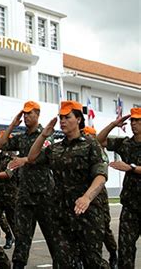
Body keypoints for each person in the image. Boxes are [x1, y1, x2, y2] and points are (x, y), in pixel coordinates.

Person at [26, 100, 109, 268]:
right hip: (60, 214)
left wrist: (87, 197)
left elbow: (101, 175)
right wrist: (43, 135)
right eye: (60, 117)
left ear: (78, 120)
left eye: (67, 117)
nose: (62, 121)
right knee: (63, 261)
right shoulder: (55, 148)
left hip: (88, 214)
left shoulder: (91, 144)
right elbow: (31, 158)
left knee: (92, 261)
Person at [0, 101, 57, 268]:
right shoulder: (22, 137)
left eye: (30, 113)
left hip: (44, 194)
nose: (26, 117)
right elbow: (0, 144)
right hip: (25, 195)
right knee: (22, 237)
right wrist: (12, 124)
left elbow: (46, 155)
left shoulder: (45, 134)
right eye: (24, 114)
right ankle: (18, 265)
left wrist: (25, 160)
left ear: (37, 114)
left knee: (52, 236)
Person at [97, 107, 141, 269]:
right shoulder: (126, 144)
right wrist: (113, 124)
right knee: (126, 250)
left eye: (138, 121)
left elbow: (131, 167)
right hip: (130, 207)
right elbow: (98, 140)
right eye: (132, 121)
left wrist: (131, 167)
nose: (134, 124)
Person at [83, 126, 118, 269]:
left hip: (99, 193)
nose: (85, 137)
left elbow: (101, 175)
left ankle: (113, 252)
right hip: (84, 192)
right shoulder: (81, 150)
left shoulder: (99, 152)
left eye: (87, 135)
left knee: (103, 227)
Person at [0, 132, 18, 250]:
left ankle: (19, 244)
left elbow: (8, 174)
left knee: (13, 222)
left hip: (10, 196)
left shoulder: (13, 158)